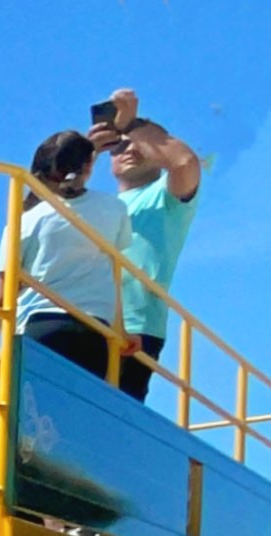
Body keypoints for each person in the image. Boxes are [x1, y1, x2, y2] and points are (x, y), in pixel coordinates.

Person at [94, 89, 203, 401]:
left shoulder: (164, 197)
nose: (128, 149)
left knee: (112, 414)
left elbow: (184, 163)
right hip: (84, 315)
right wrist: (85, 150)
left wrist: (130, 124)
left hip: (134, 325)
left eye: (138, 144)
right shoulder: (94, 204)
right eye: (119, 145)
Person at [19, 130, 139, 393]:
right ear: (88, 165)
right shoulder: (114, 208)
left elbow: (3, 298)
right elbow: (112, 272)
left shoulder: (27, 217)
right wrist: (121, 331)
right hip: (95, 329)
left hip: (39, 325)